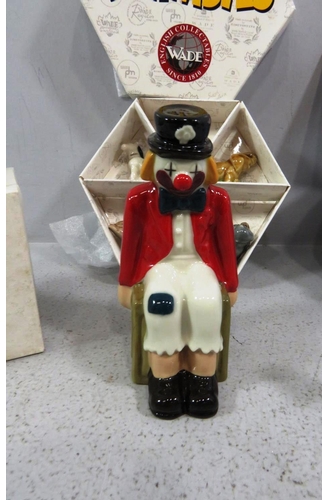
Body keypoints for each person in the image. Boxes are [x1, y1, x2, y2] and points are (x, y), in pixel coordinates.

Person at [118, 104, 238, 419]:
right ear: (153, 163)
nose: (183, 178)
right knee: (162, 305)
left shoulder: (218, 200)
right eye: (171, 167)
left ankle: (201, 379)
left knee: (206, 304)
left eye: (192, 167)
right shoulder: (139, 200)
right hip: (159, 267)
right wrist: (125, 282)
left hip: (201, 266)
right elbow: (130, 244)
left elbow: (226, 244)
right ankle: (165, 379)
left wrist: (230, 282)